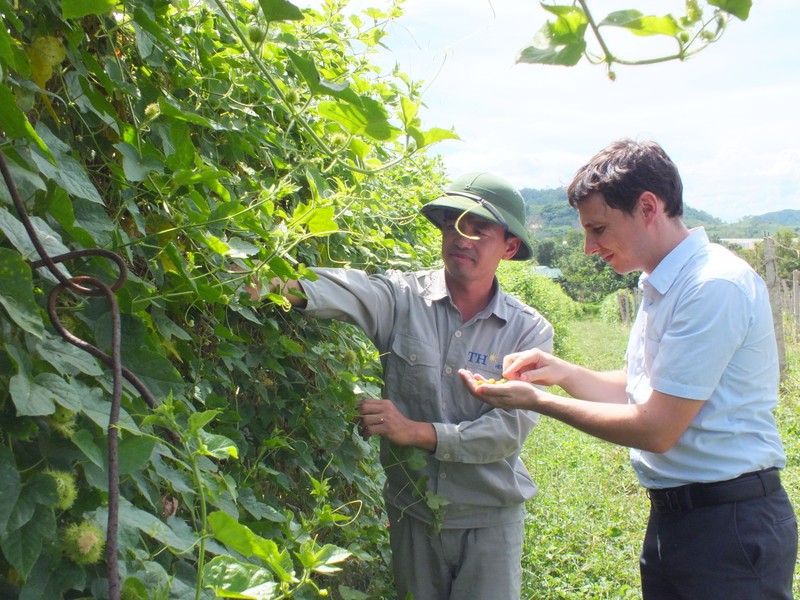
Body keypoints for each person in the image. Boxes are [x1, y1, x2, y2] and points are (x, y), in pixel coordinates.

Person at [460, 139, 798, 599]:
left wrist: (540, 401)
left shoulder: (712, 286)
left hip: (728, 527)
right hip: (680, 518)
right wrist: (561, 371)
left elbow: (656, 427)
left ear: (647, 207)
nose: (588, 247)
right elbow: (639, 391)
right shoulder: (661, 283)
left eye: (598, 229)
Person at [258, 173, 554, 599]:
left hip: (490, 517)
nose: (460, 237)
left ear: (509, 247)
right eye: (452, 223)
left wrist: (415, 432)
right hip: (412, 511)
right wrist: (268, 281)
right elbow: (345, 289)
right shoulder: (401, 298)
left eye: (478, 228)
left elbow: (508, 431)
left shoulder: (528, 331)